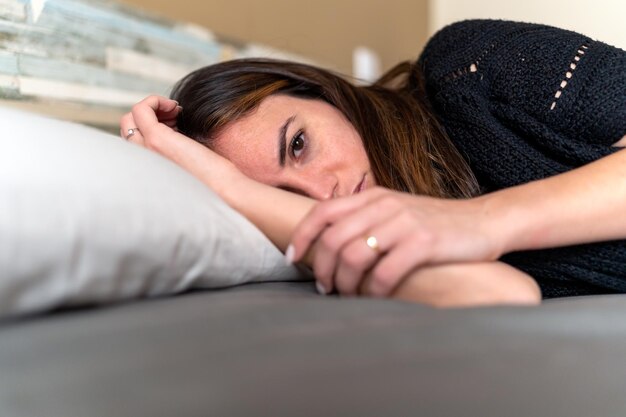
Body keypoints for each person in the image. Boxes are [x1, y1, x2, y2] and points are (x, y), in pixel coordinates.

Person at [120, 19, 626, 307]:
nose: (324, 195)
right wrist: (235, 192)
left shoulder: (465, 68)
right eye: (284, 197)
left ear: (326, 94)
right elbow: (499, 293)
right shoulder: (346, 248)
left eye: (298, 144)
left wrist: (483, 221)